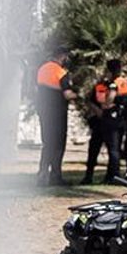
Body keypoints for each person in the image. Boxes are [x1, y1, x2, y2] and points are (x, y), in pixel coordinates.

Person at [83, 59, 127, 184]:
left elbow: (113, 100)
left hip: (114, 120)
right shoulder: (102, 85)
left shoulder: (120, 84)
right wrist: (99, 111)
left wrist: (105, 107)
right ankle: (89, 176)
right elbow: (90, 100)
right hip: (101, 121)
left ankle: (112, 176)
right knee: (96, 148)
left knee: (113, 149)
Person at [33, 49, 76, 185]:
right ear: (62, 57)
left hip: (44, 111)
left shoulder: (42, 69)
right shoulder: (61, 72)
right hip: (57, 113)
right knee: (58, 145)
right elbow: (67, 94)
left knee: (47, 144)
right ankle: (55, 176)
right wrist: (80, 94)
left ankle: (42, 174)